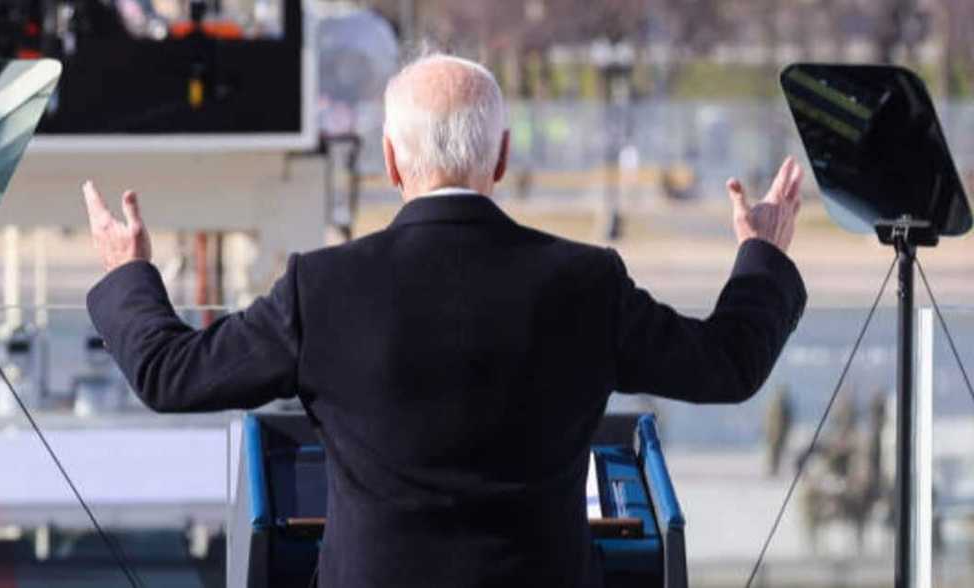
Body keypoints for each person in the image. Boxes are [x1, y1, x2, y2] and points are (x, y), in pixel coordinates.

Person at [81, 53, 807, 588]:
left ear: (392, 162)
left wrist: (127, 273)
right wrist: (760, 255)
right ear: (504, 156)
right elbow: (728, 365)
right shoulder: (587, 283)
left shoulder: (323, 287)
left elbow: (169, 374)